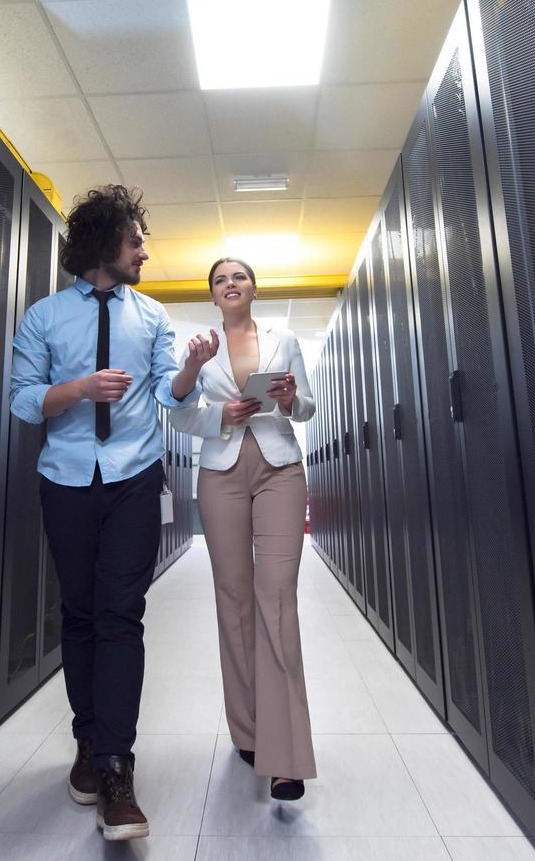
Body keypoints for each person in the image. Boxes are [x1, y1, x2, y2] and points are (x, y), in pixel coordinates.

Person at [8, 185, 217, 841]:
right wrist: (76, 389)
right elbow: (20, 402)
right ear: (103, 245)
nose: (144, 252)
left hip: (133, 477)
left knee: (120, 614)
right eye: (135, 241)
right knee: (78, 612)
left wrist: (188, 370)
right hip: (65, 479)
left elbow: (169, 396)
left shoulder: (151, 316)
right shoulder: (43, 317)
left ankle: (117, 769)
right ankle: (87, 742)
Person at [169, 257, 317, 800]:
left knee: (275, 597)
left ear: (255, 287)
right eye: (219, 280)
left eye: (239, 277)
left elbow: (306, 406)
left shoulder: (284, 338)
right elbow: (181, 415)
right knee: (233, 599)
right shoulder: (198, 348)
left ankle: (285, 756)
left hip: (280, 468)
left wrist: (287, 399)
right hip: (221, 474)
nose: (230, 285)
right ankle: (248, 730)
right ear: (212, 296)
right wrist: (220, 415)